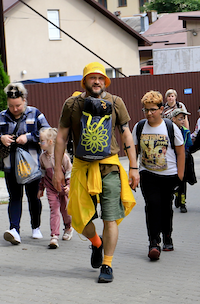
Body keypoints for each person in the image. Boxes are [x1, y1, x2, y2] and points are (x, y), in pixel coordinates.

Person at [55, 62, 138, 284]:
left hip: (109, 168)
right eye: (92, 78)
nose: (97, 81)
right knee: (80, 218)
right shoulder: (72, 105)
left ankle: (107, 264)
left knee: (110, 218)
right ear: (85, 81)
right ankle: (97, 243)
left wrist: (133, 166)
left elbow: (127, 135)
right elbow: (61, 137)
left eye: (101, 78)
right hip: (81, 168)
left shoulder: (115, 102)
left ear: (106, 81)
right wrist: (57, 169)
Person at [0, 82, 50, 245]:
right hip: (10, 166)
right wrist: (0, 138)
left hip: (32, 167)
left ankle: (36, 227)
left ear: (24, 100)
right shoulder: (1, 117)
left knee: (33, 198)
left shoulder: (35, 113)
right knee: (14, 197)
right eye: (11, 106)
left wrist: (28, 137)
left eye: (18, 105)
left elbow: (47, 132)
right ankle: (14, 230)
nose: (15, 109)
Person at [133, 91, 185, 260]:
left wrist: (181, 175)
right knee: (152, 205)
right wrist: (132, 171)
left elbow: (180, 151)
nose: (149, 113)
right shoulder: (139, 126)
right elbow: (133, 150)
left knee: (166, 207)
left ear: (161, 109)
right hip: (147, 174)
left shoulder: (170, 127)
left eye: (153, 110)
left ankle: (167, 236)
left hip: (169, 175)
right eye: (146, 110)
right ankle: (153, 242)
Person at [38, 127, 72, 249]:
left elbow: (69, 172)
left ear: (50, 142)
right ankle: (54, 236)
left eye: (42, 141)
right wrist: (41, 188)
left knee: (65, 210)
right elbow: (42, 174)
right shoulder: (42, 158)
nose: (39, 143)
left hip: (63, 188)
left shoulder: (63, 157)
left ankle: (68, 227)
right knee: (54, 210)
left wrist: (69, 186)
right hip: (51, 188)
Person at [170, 108, 194, 214]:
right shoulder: (168, 130)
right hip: (172, 160)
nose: (183, 120)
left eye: (183, 118)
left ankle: (183, 203)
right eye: (180, 118)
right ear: (174, 119)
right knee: (174, 182)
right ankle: (176, 195)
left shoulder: (185, 131)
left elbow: (189, 145)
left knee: (183, 182)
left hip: (183, 159)